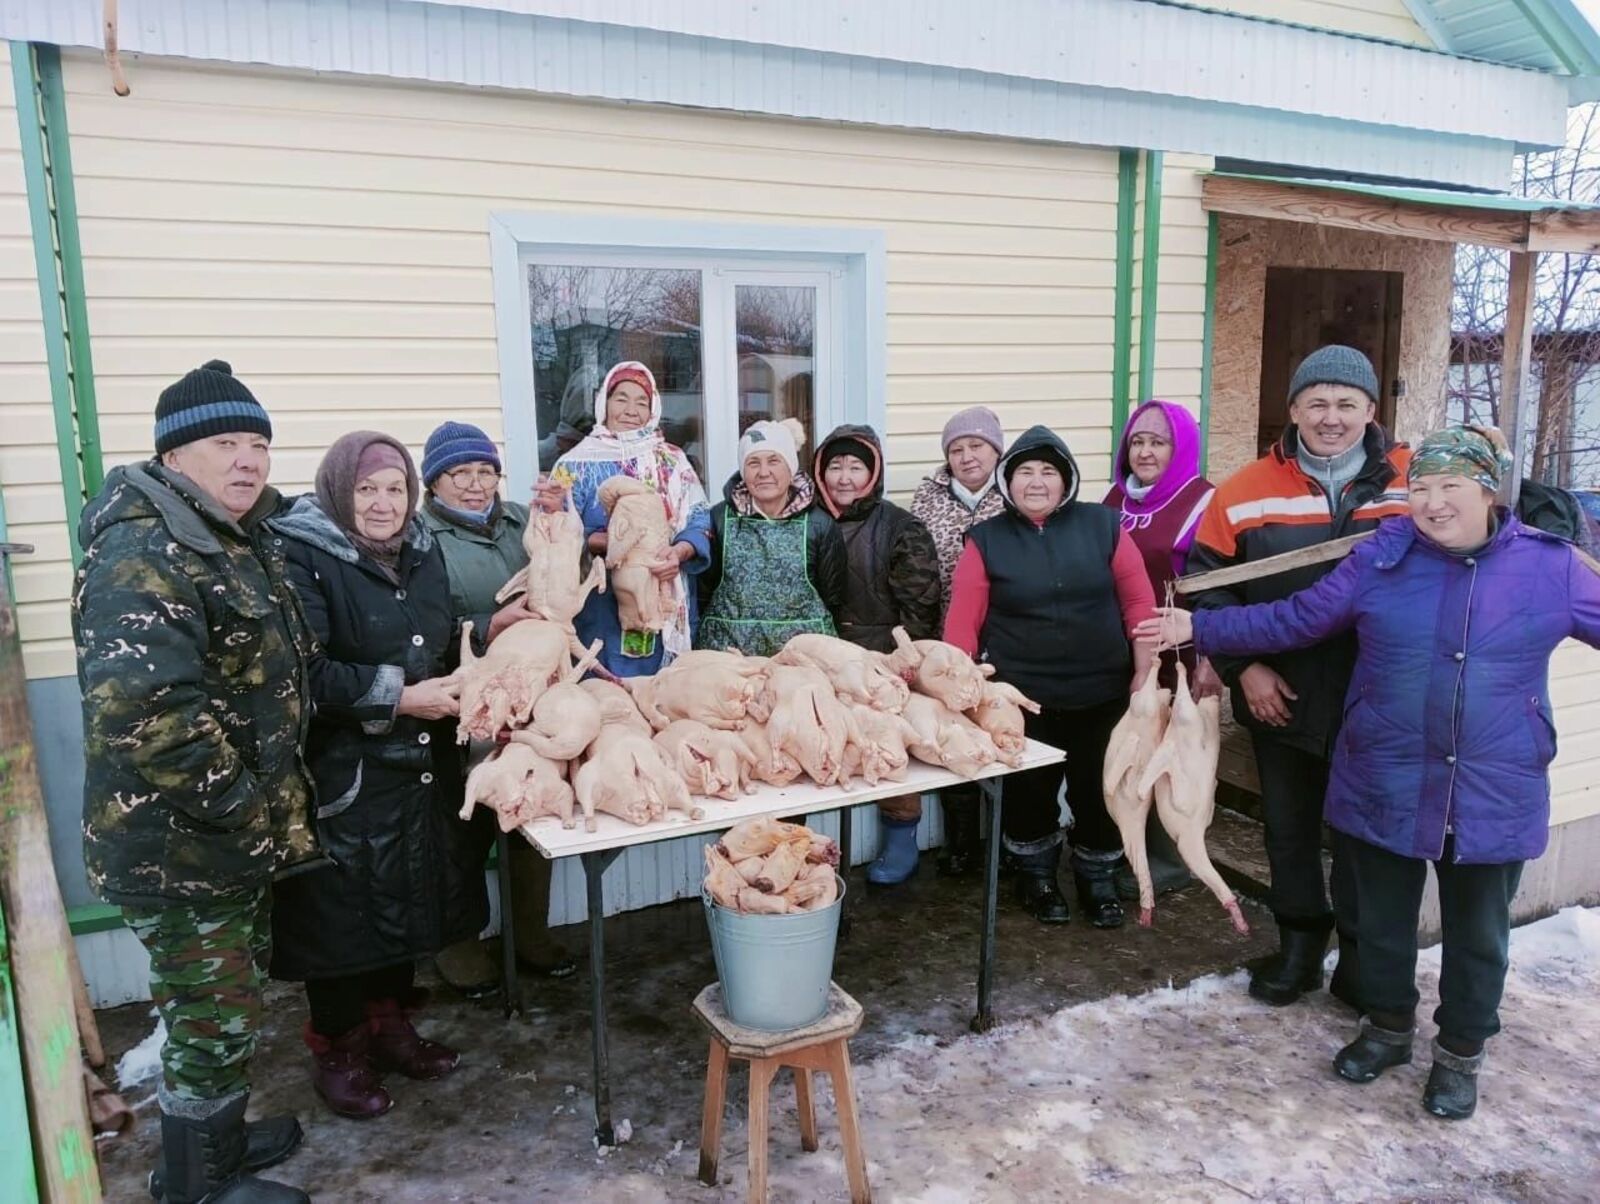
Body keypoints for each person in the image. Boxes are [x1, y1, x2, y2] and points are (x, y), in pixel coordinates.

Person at [1139, 426, 1600, 1120]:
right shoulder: (1383, 556)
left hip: (1492, 784)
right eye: (1421, 488)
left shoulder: (1551, 567)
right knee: (1379, 921)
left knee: (1478, 936)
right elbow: (1298, 618)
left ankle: (1459, 1056)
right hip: (1385, 771)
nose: (1434, 503)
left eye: (1451, 487)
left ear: (1488, 490)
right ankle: (1386, 1027)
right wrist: (1201, 631)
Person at [74, 360, 313, 1203]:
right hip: (181, 841)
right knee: (211, 1014)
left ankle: (218, 1141)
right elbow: (149, 718)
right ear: (176, 456)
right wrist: (248, 814)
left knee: (229, 997)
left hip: (223, 837)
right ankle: (196, 1185)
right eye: (224, 443)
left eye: (258, 443)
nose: (248, 460)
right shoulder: (144, 551)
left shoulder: (233, 536)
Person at [270, 432, 517, 1120]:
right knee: (342, 920)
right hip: (345, 773)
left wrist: (485, 635)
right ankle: (339, 1050)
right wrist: (401, 697)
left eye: (395, 489)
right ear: (338, 493)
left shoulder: (421, 550)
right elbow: (302, 673)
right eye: (367, 490)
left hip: (416, 767)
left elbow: (432, 637)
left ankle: (390, 1029)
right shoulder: (302, 556)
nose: (383, 503)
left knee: (404, 903)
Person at [1187, 345, 1411, 1008]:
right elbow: (1206, 590)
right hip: (1281, 696)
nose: (1331, 417)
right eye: (1317, 403)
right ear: (1293, 410)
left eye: (1347, 404)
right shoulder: (1245, 490)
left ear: (1372, 410)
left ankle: (1362, 963)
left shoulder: (1412, 479)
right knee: (1288, 830)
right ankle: (1300, 948)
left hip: (1380, 698)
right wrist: (1241, 666)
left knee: (1366, 839)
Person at [943, 425, 1156, 927]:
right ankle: (1035, 877)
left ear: (1067, 481)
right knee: (1030, 794)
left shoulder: (1103, 526)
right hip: (1021, 697)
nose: (1035, 482)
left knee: (1099, 791)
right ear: (1006, 481)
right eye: (1023, 472)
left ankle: (1097, 879)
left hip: (1102, 692)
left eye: (1048, 472)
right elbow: (962, 623)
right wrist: (958, 686)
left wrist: (1144, 672)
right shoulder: (987, 540)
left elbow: (1138, 603)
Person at [420, 422, 576, 998]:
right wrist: (485, 628)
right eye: (460, 474)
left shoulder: (518, 521)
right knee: (460, 827)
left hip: (530, 697)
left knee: (525, 808)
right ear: (434, 482)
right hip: (460, 699)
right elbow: (415, 621)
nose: (475, 485)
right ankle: (458, 946)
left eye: (485, 471)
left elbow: (560, 566)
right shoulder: (419, 535)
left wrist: (560, 518)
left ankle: (529, 935)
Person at [813, 424, 943, 884]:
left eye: (856, 466)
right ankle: (807, 852)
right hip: (818, 658)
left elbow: (920, 604)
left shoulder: (900, 527)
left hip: (879, 659)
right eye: (835, 466)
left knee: (889, 752)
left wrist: (902, 662)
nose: (844, 477)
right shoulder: (806, 517)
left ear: (873, 473)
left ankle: (900, 838)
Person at [1102, 400, 1219, 900]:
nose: (1145, 451)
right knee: (1128, 751)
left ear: (1182, 447)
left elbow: (1217, 583)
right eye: (1138, 441)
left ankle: (1165, 857)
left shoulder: (1204, 501)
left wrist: (1212, 655)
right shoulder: (1114, 497)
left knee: (1168, 756)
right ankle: (1124, 848)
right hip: (1118, 644)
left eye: (1158, 441)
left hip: (1177, 650)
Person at [548, 361, 712, 677]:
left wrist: (678, 553)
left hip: (665, 592)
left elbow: (699, 518)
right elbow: (556, 535)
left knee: (663, 694)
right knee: (609, 694)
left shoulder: (672, 460)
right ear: (604, 403)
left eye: (642, 402)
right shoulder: (574, 464)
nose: (631, 409)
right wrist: (609, 544)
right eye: (621, 398)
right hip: (601, 601)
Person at [910, 406, 1007, 877]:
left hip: (1007, 635)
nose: (967, 456)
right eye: (957, 448)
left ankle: (1009, 844)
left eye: (976, 446)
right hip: (945, 638)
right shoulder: (927, 498)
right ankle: (963, 842)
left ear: (996, 450)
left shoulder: (1017, 491)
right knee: (956, 733)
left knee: (1004, 733)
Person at [698, 418, 847, 655]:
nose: (764, 472)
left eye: (774, 461)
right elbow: (702, 591)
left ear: (791, 468)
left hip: (802, 659)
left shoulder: (819, 524)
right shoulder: (718, 519)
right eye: (753, 463)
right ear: (743, 471)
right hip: (728, 656)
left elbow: (835, 599)